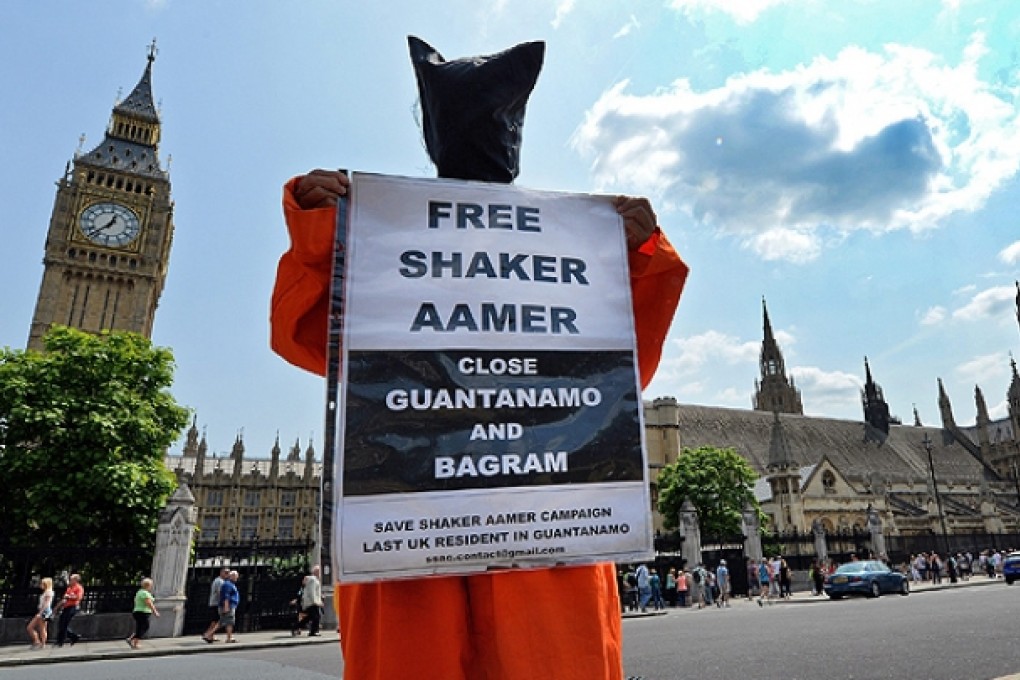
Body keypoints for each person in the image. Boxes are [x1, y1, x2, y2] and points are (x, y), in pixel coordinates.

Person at [270, 36, 687, 680]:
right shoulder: (384, 235)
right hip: (411, 538)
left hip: (544, 539)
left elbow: (615, 379)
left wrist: (635, 255)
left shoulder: (568, 252)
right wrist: (322, 234)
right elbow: (305, 338)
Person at [127, 577, 159, 649]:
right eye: (151, 585)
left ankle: (135, 643)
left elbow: (136, 601)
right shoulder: (145, 593)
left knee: (139, 627)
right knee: (145, 627)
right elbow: (149, 603)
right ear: (148, 586)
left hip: (137, 611)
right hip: (143, 612)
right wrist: (155, 611)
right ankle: (132, 639)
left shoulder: (139, 592)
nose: (151, 587)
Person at [202, 567, 229, 643]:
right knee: (216, 620)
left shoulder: (219, 581)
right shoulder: (219, 581)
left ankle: (211, 635)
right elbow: (221, 593)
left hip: (215, 603)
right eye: (225, 572)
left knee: (215, 620)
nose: (227, 574)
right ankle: (208, 634)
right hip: (216, 603)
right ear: (221, 572)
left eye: (228, 573)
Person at [55, 573, 84, 647]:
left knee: (65, 623)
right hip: (66, 607)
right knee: (61, 624)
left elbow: (78, 597)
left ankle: (60, 641)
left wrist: (69, 596)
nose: (70, 580)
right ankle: (74, 637)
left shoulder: (79, 588)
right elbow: (64, 598)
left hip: (73, 607)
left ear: (76, 580)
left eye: (71, 579)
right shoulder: (69, 588)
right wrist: (58, 607)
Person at [26, 576, 54, 649]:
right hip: (42, 610)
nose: (40, 585)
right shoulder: (46, 592)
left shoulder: (48, 592)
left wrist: (40, 613)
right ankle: (37, 641)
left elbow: (46, 603)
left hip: (45, 611)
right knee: (31, 627)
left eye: (42, 584)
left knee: (42, 628)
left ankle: (41, 643)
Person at [216, 570, 240, 643]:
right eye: (236, 576)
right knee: (229, 622)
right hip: (229, 606)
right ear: (231, 576)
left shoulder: (230, 584)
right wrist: (226, 607)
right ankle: (229, 638)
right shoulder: (228, 584)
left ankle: (208, 634)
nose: (237, 578)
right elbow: (226, 596)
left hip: (230, 606)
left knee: (222, 622)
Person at [300, 565, 323, 636]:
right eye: (318, 571)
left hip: (312, 601)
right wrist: (315, 602)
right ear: (315, 572)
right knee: (316, 616)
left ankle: (296, 626)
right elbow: (312, 591)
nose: (320, 573)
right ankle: (313, 632)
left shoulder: (314, 579)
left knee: (310, 617)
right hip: (312, 602)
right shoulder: (313, 579)